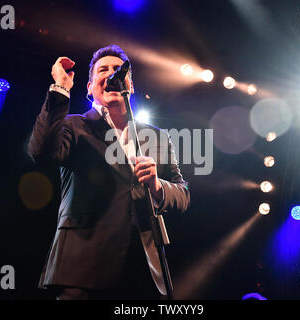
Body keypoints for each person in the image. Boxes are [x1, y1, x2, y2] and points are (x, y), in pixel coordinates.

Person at [28, 44, 190, 300]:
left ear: (131, 86)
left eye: (118, 69)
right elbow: (41, 151)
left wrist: (157, 185)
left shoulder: (157, 137)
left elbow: (182, 194)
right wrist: (60, 89)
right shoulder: (74, 126)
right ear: (91, 87)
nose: (112, 74)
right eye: (103, 70)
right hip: (82, 267)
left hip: (141, 272)